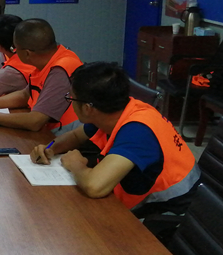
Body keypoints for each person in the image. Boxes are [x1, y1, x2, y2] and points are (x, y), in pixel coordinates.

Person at [30, 62, 200, 217]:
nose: (70, 103)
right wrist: (51, 147)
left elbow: (94, 187)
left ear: (88, 108)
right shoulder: (112, 111)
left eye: (71, 98)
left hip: (170, 211)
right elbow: (75, 136)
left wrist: (75, 165)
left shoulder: (137, 131)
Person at [0, 18, 82, 135]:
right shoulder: (48, 59)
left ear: (27, 53)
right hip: (49, 131)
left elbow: (35, 121)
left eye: (15, 48)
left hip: (63, 135)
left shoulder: (60, 71)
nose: (14, 51)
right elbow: (25, 95)